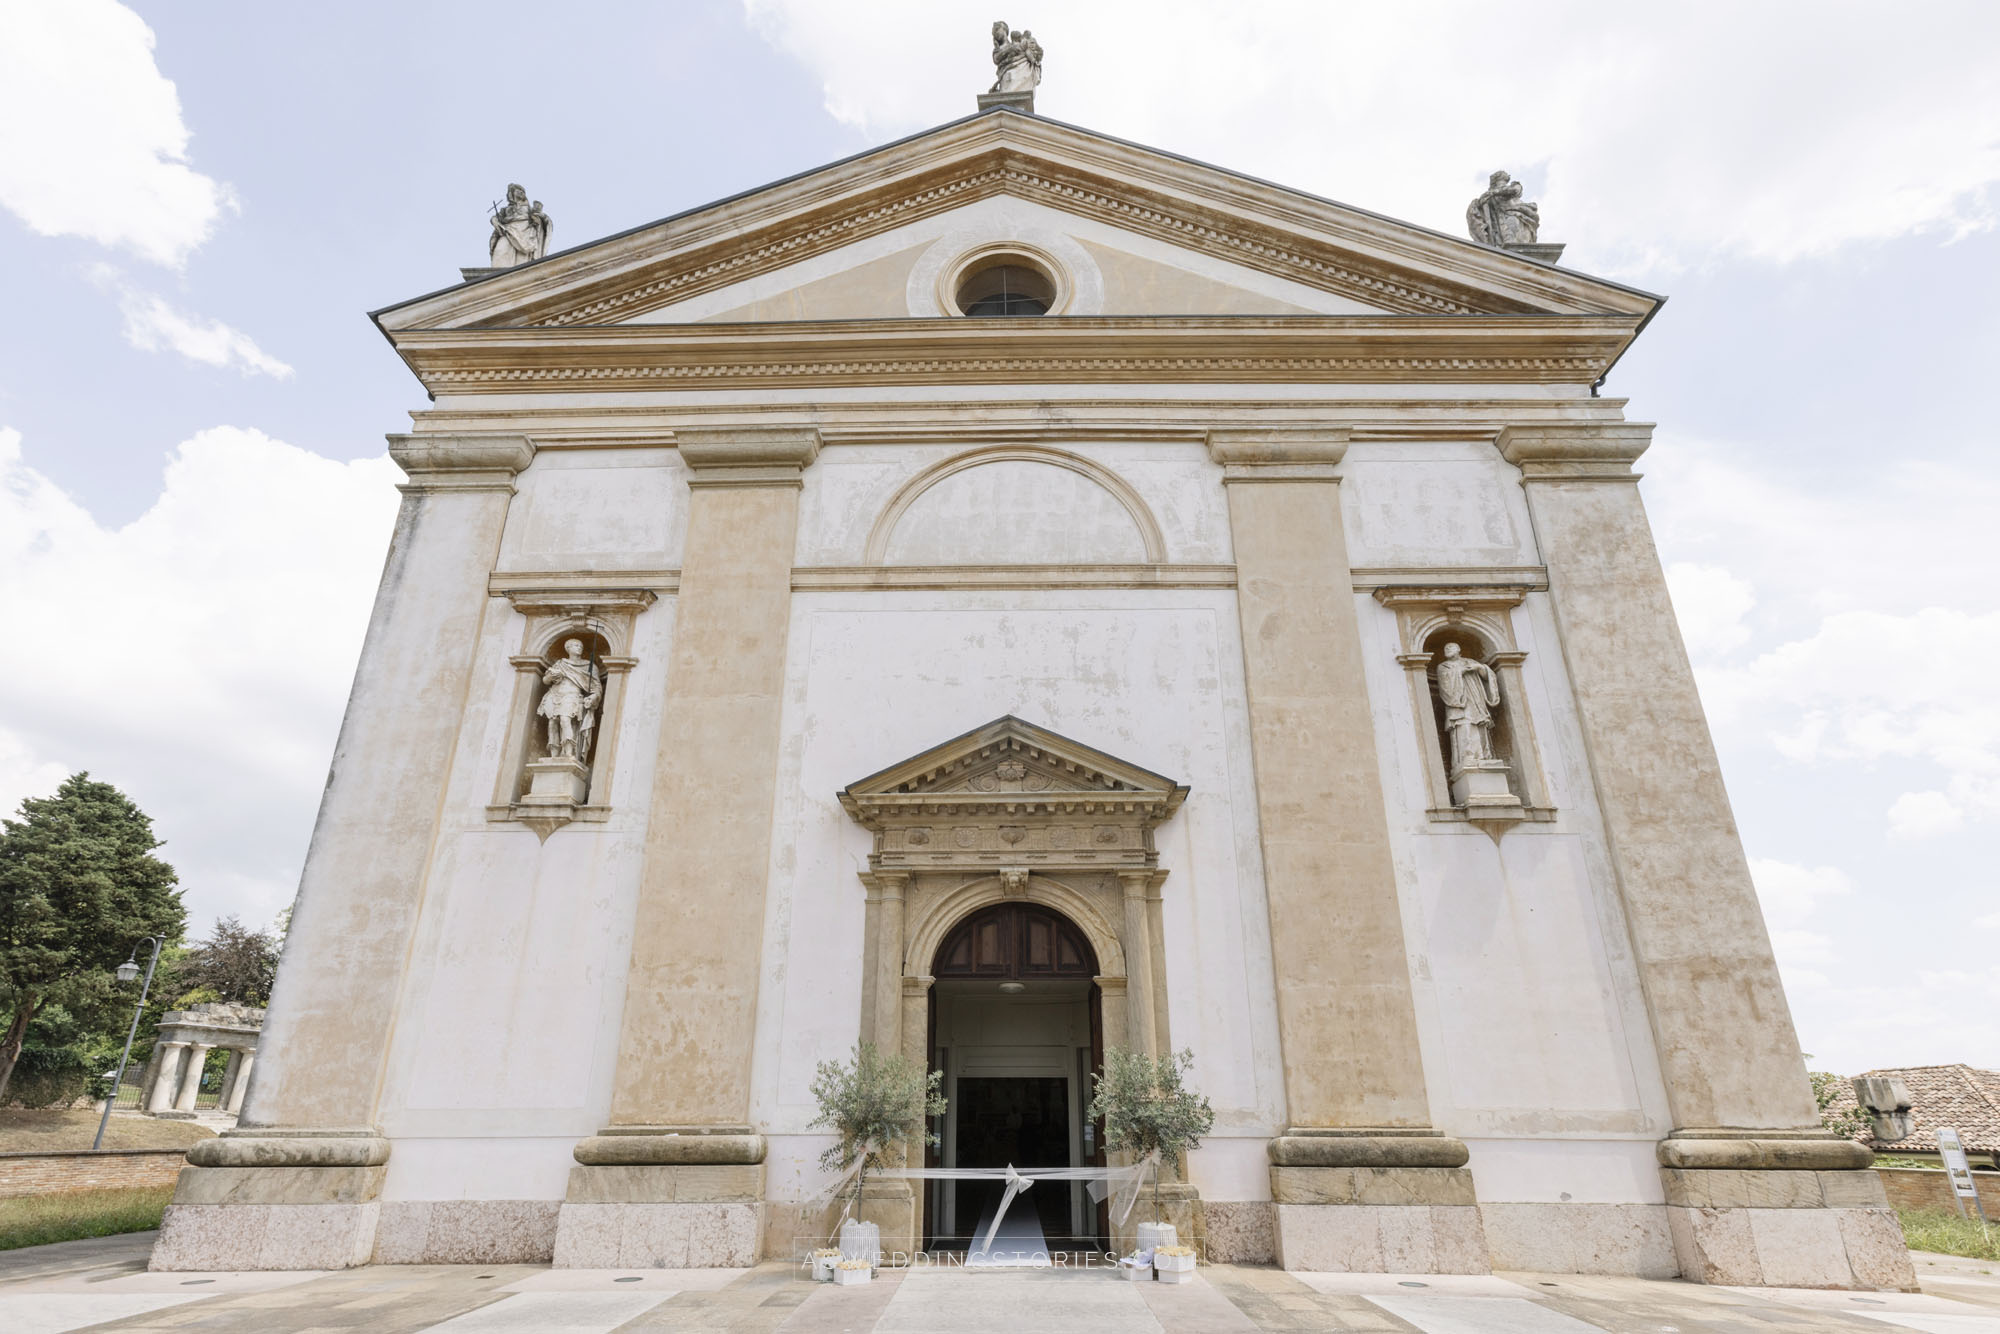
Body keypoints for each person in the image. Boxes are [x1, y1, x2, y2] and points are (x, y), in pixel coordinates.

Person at [1434, 641, 1502, 771]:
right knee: (1464, 727)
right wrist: (1460, 672)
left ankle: (1484, 757)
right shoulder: (1443, 667)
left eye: (1451, 647)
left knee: (1480, 726)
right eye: (1445, 648)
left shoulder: (1470, 662)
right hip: (1459, 704)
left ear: (1459, 650)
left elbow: (1487, 676)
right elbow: (1445, 686)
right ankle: (1467, 758)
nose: (1447, 648)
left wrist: (1479, 668)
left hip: (1476, 700)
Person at [539, 638, 601, 761]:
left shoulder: (589, 666)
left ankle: (568, 753)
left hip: (572, 695)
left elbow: (597, 686)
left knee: (564, 720)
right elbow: (545, 680)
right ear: (568, 649)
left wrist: (593, 697)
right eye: (575, 645)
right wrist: (551, 676)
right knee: (552, 723)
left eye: (580, 646)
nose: (579, 647)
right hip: (554, 694)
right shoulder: (560, 663)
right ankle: (553, 756)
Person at [1465, 171, 1540, 247]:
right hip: (1499, 222)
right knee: (1506, 244)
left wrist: (1493, 192)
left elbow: (1514, 190)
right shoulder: (1490, 196)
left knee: (1514, 243)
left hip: (1515, 215)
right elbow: (1481, 206)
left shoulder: (1515, 185)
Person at [488, 183, 553, 267]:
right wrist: (494, 220)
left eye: (523, 191)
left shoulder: (529, 208)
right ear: (512, 194)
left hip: (525, 234)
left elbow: (542, 219)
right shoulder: (506, 209)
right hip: (508, 231)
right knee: (501, 250)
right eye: (518, 190)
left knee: (522, 259)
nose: (521, 193)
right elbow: (497, 218)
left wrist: (539, 218)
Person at [989, 20, 1043, 94]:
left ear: (1004, 30)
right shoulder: (998, 49)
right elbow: (996, 59)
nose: (995, 33)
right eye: (993, 32)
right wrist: (1011, 48)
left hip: (1020, 70)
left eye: (997, 29)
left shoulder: (1017, 42)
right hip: (1006, 74)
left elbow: (1031, 49)